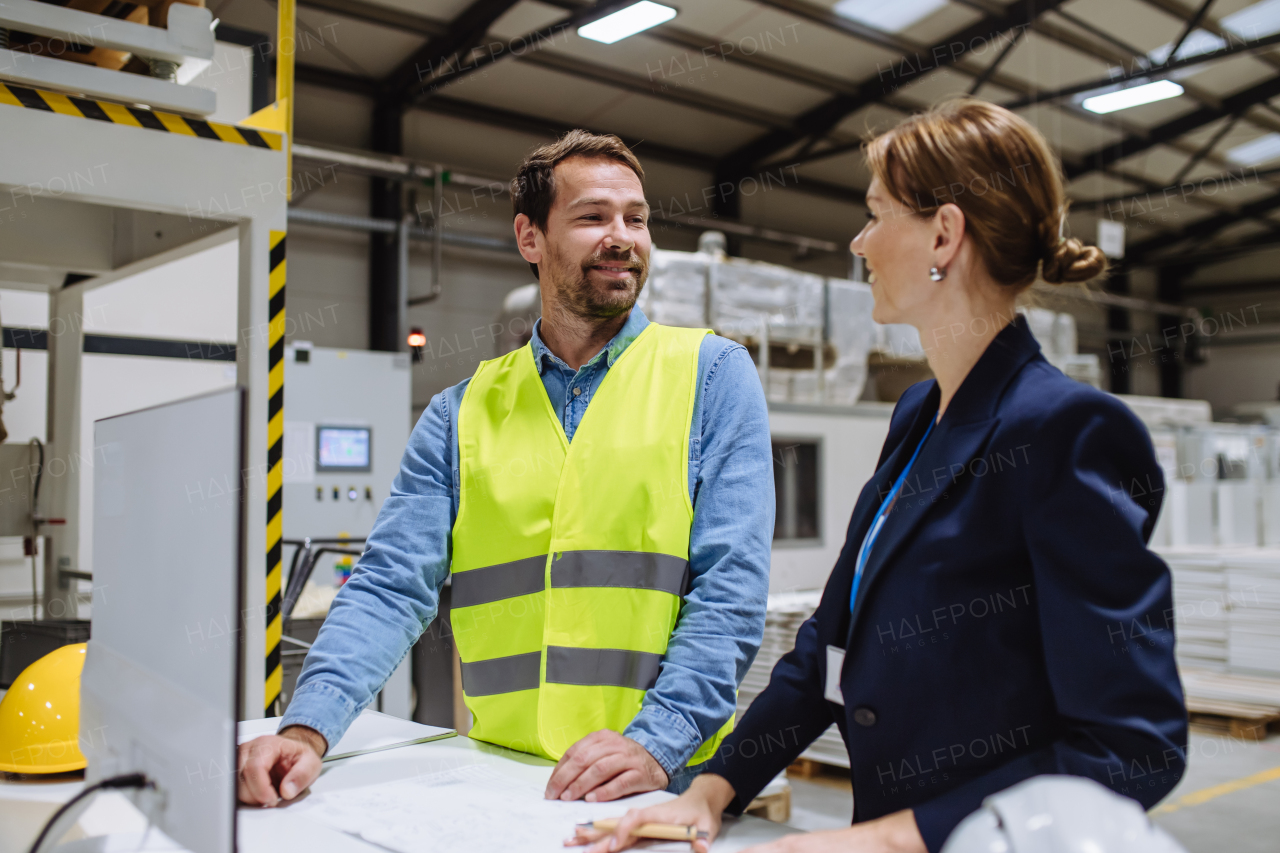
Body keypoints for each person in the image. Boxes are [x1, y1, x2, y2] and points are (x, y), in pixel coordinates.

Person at [575, 99, 1188, 853]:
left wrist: (892, 839)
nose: (860, 241)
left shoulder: (1065, 431)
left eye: (875, 214)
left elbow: (1132, 744)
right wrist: (710, 788)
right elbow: (830, 652)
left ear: (944, 233)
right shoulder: (918, 416)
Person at [237, 130, 774, 806]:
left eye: (635, 218)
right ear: (530, 237)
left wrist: (656, 741)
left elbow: (729, 593)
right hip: (503, 777)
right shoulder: (458, 414)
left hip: (661, 777)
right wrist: (308, 725)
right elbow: (389, 585)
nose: (622, 236)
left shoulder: (712, 374)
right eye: (592, 217)